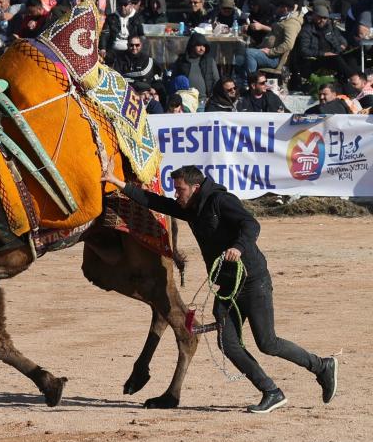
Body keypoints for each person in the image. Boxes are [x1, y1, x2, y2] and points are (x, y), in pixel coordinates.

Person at [102, 165, 337, 414]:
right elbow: (154, 201)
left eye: (179, 190)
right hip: (226, 287)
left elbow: (251, 224)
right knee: (228, 344)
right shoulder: (190, 208)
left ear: (195, 187)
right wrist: (116, 181)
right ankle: (271, 391)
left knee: (268, 343)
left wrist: (238, 247)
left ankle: (322, 366)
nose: (176, 195)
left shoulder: (220, 200)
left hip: (252, 282)